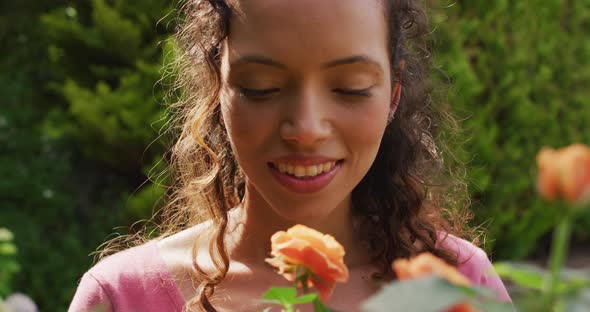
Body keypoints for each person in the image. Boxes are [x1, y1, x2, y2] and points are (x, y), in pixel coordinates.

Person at [69, 0, 511, 311]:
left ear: (392, 97)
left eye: (350, 88)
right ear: (217, 91)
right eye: (261, 88)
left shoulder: (455, 283)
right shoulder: (123, 297)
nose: (305, 128)